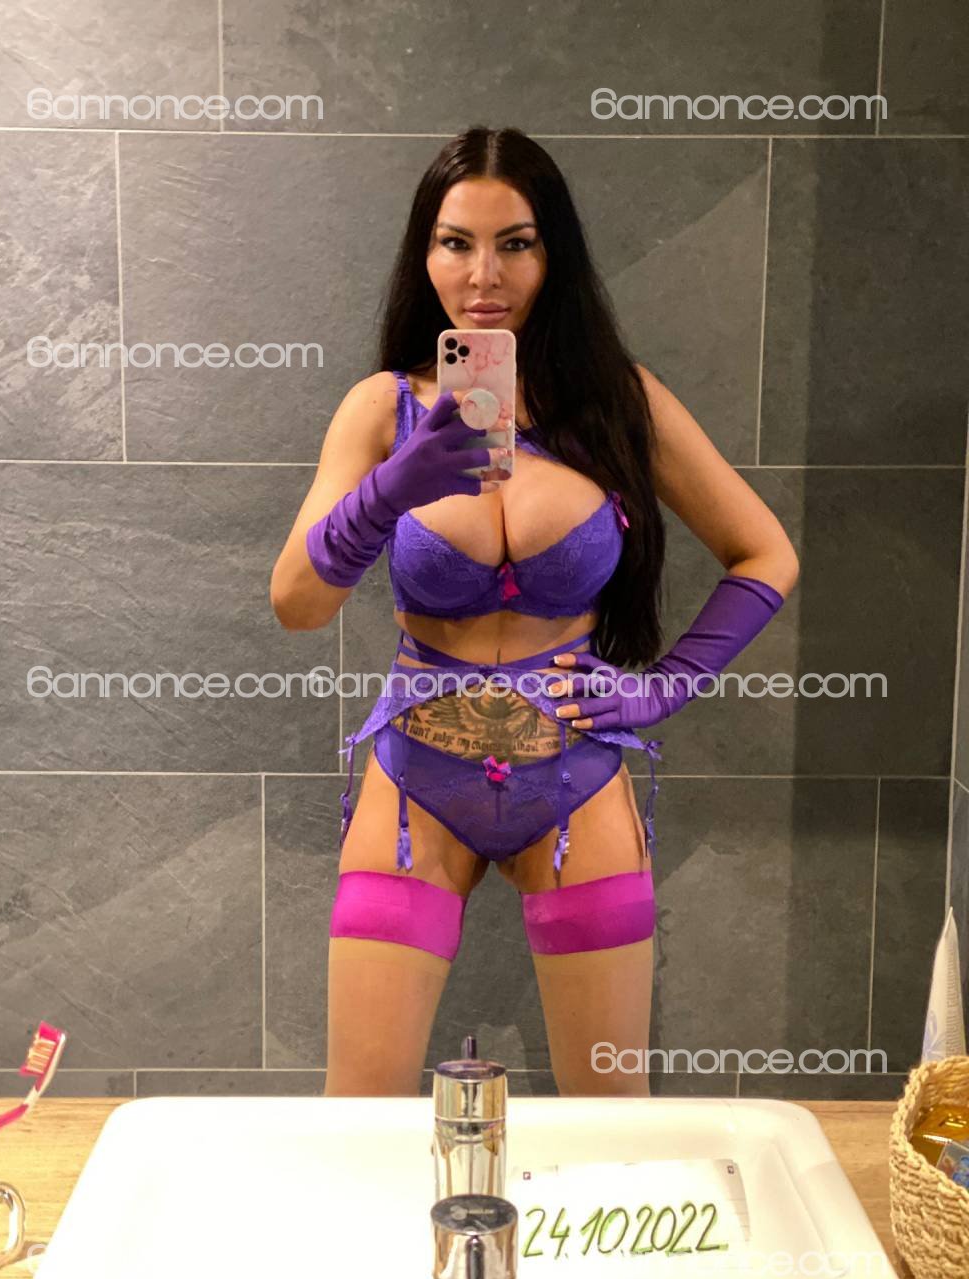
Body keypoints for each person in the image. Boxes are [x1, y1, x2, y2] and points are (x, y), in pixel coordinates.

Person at [270, 125, 799, 1099]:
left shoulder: (621, 403)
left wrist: (664, 690)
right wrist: (389, 490)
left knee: (612, 1116)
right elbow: (297, 604)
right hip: (416, 784)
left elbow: (766, 551)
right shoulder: (381, 411)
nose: (484, 275)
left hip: (576, 783)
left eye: (515, 243)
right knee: (360, 1117)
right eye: (456, 242)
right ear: (424, 254)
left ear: (553, 254)